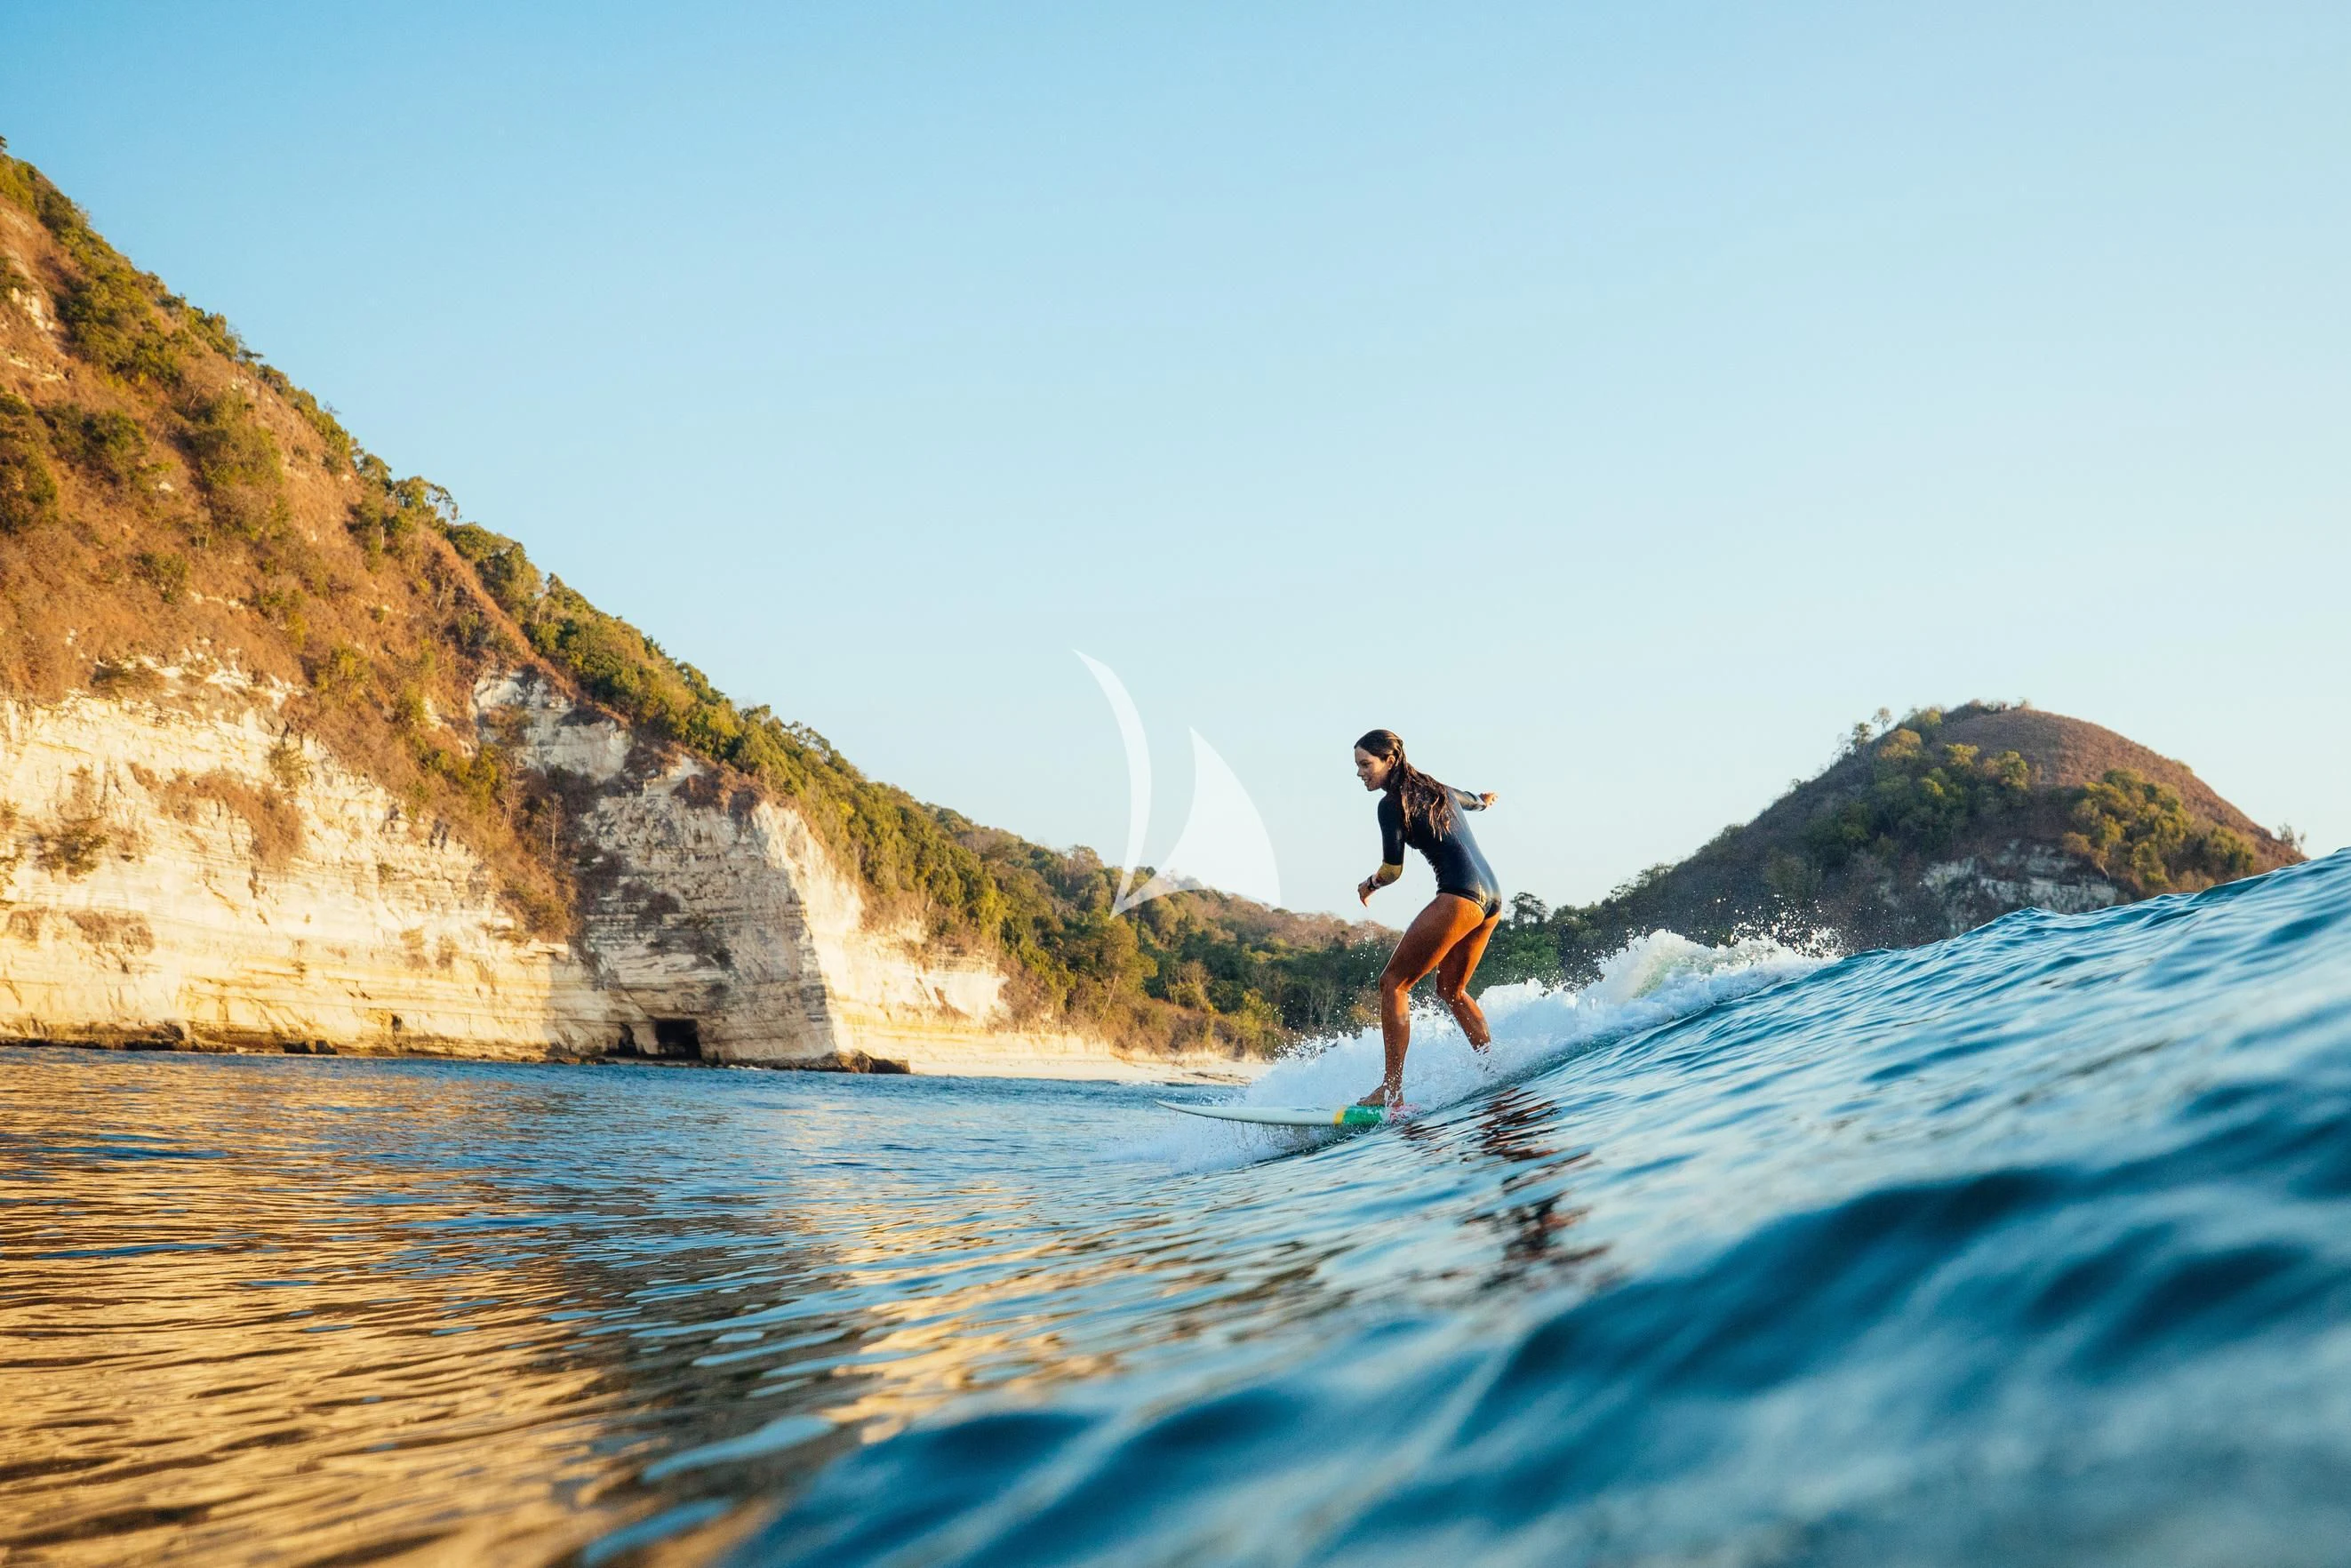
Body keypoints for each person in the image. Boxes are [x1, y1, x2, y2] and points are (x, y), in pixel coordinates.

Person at [1351, 728, 1501, 1111]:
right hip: (1492, 898)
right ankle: (1494, 1072)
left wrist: (1370, 884)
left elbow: (1393, 869)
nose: (1360, 773)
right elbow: (1472, 800)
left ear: (1389, 761)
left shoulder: (1390, 805)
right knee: (1451, 990)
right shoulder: (1439, 790)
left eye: (1366, 765)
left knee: (1393, 983)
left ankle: (1391, 1092)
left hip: (1460, 896)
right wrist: (1485, 802)